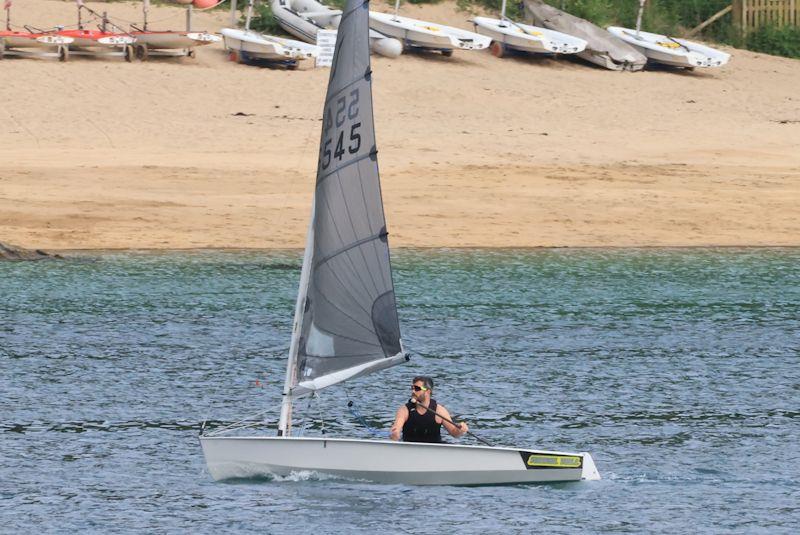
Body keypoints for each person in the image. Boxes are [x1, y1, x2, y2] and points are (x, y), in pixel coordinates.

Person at [389, 376, 469, 443]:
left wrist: (461, 430)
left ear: (428, 391)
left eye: (417, 388)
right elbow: (397, 427)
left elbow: (454, 433)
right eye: (412, 388)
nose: (413, 391)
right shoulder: (404, 410)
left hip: (434, 452)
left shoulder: (439, 410)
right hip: (410, 451)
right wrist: (395, 433)